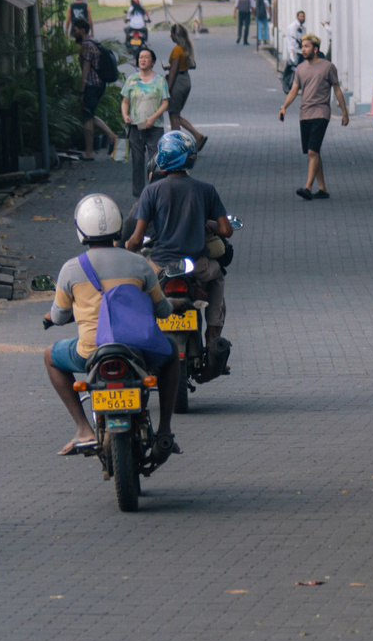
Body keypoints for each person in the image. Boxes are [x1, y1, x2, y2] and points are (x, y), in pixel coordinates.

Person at [43, 193, 179, 459]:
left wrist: (50, 317)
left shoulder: (71, 269)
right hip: (137, 349)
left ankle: (84, 429)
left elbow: (58, 317)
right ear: (118, 227)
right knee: (172, 351)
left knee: (50, 356)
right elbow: (162, 311)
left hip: (90, 353)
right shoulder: (139, 263)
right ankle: (164, 429)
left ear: (80, 230)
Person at [126, 130, 233, 372]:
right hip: (198, 265)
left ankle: (137, 341)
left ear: (162, 158)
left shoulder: (151, 192)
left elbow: (135, 238)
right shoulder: (206, 189)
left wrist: (126, 248)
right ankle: (213, 338)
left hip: (161, 265)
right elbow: (226, 230)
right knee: (218, 279)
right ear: (191, 157)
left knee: (137, 289)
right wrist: (208, 222)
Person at [278, 33, 347, 199]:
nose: (303, 49)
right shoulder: (300, 69)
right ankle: (322, 189)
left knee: (312, 151)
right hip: (305, 114)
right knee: (314, 152)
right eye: (302, 46)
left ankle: (307, 187)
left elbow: (337, 89)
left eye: (306, 46)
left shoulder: (328, 67)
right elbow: (294, 90)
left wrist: (344, 112)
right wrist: (284, 107)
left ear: (315, 49)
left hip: (321, 112)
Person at [118, 44, 171, 196]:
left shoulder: (160, 80)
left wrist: (153, 118)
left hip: (155, 126)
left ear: (152, 62)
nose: (143, 60)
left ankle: (156, 191)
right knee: (137, 161)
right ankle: (139, 194)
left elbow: (165, 103)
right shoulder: (131, 79)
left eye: (146, 58)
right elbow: (125, 101)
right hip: (136, 126)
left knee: (156, 161)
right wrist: (125, 115)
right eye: (141, 57)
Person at [165, 22, 207, 148]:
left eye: (171, 34)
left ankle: (177, 144)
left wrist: (168, 89)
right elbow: (191, 65)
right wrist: (173, 65)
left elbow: (173, 72)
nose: (170, 36)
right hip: (186, 79)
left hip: (178, 81)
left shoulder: (177, 50)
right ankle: (197, 135)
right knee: (176, 113)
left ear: (175, 35)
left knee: (173, 115)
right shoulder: (186, 48)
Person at [78, 36, 120, 157]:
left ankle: (89, 152)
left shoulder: (86, 45)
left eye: (75, 30)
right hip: (100, 85)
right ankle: (112, 136)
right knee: (89, 115)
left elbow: (86, 70)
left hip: (91, 86)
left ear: (82, 30)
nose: (73, 32)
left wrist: (81, 90)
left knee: (87, 116)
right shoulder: (95, 43)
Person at [283, 9, 309, 93]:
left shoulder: (303, 28)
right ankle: (290, 84)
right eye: (301, 16)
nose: (302, 18)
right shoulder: (293, 27)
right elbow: (293, 40)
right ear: (297, 17)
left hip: (300, 51)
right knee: (294, 67)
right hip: (294, 50)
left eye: (303, 16)